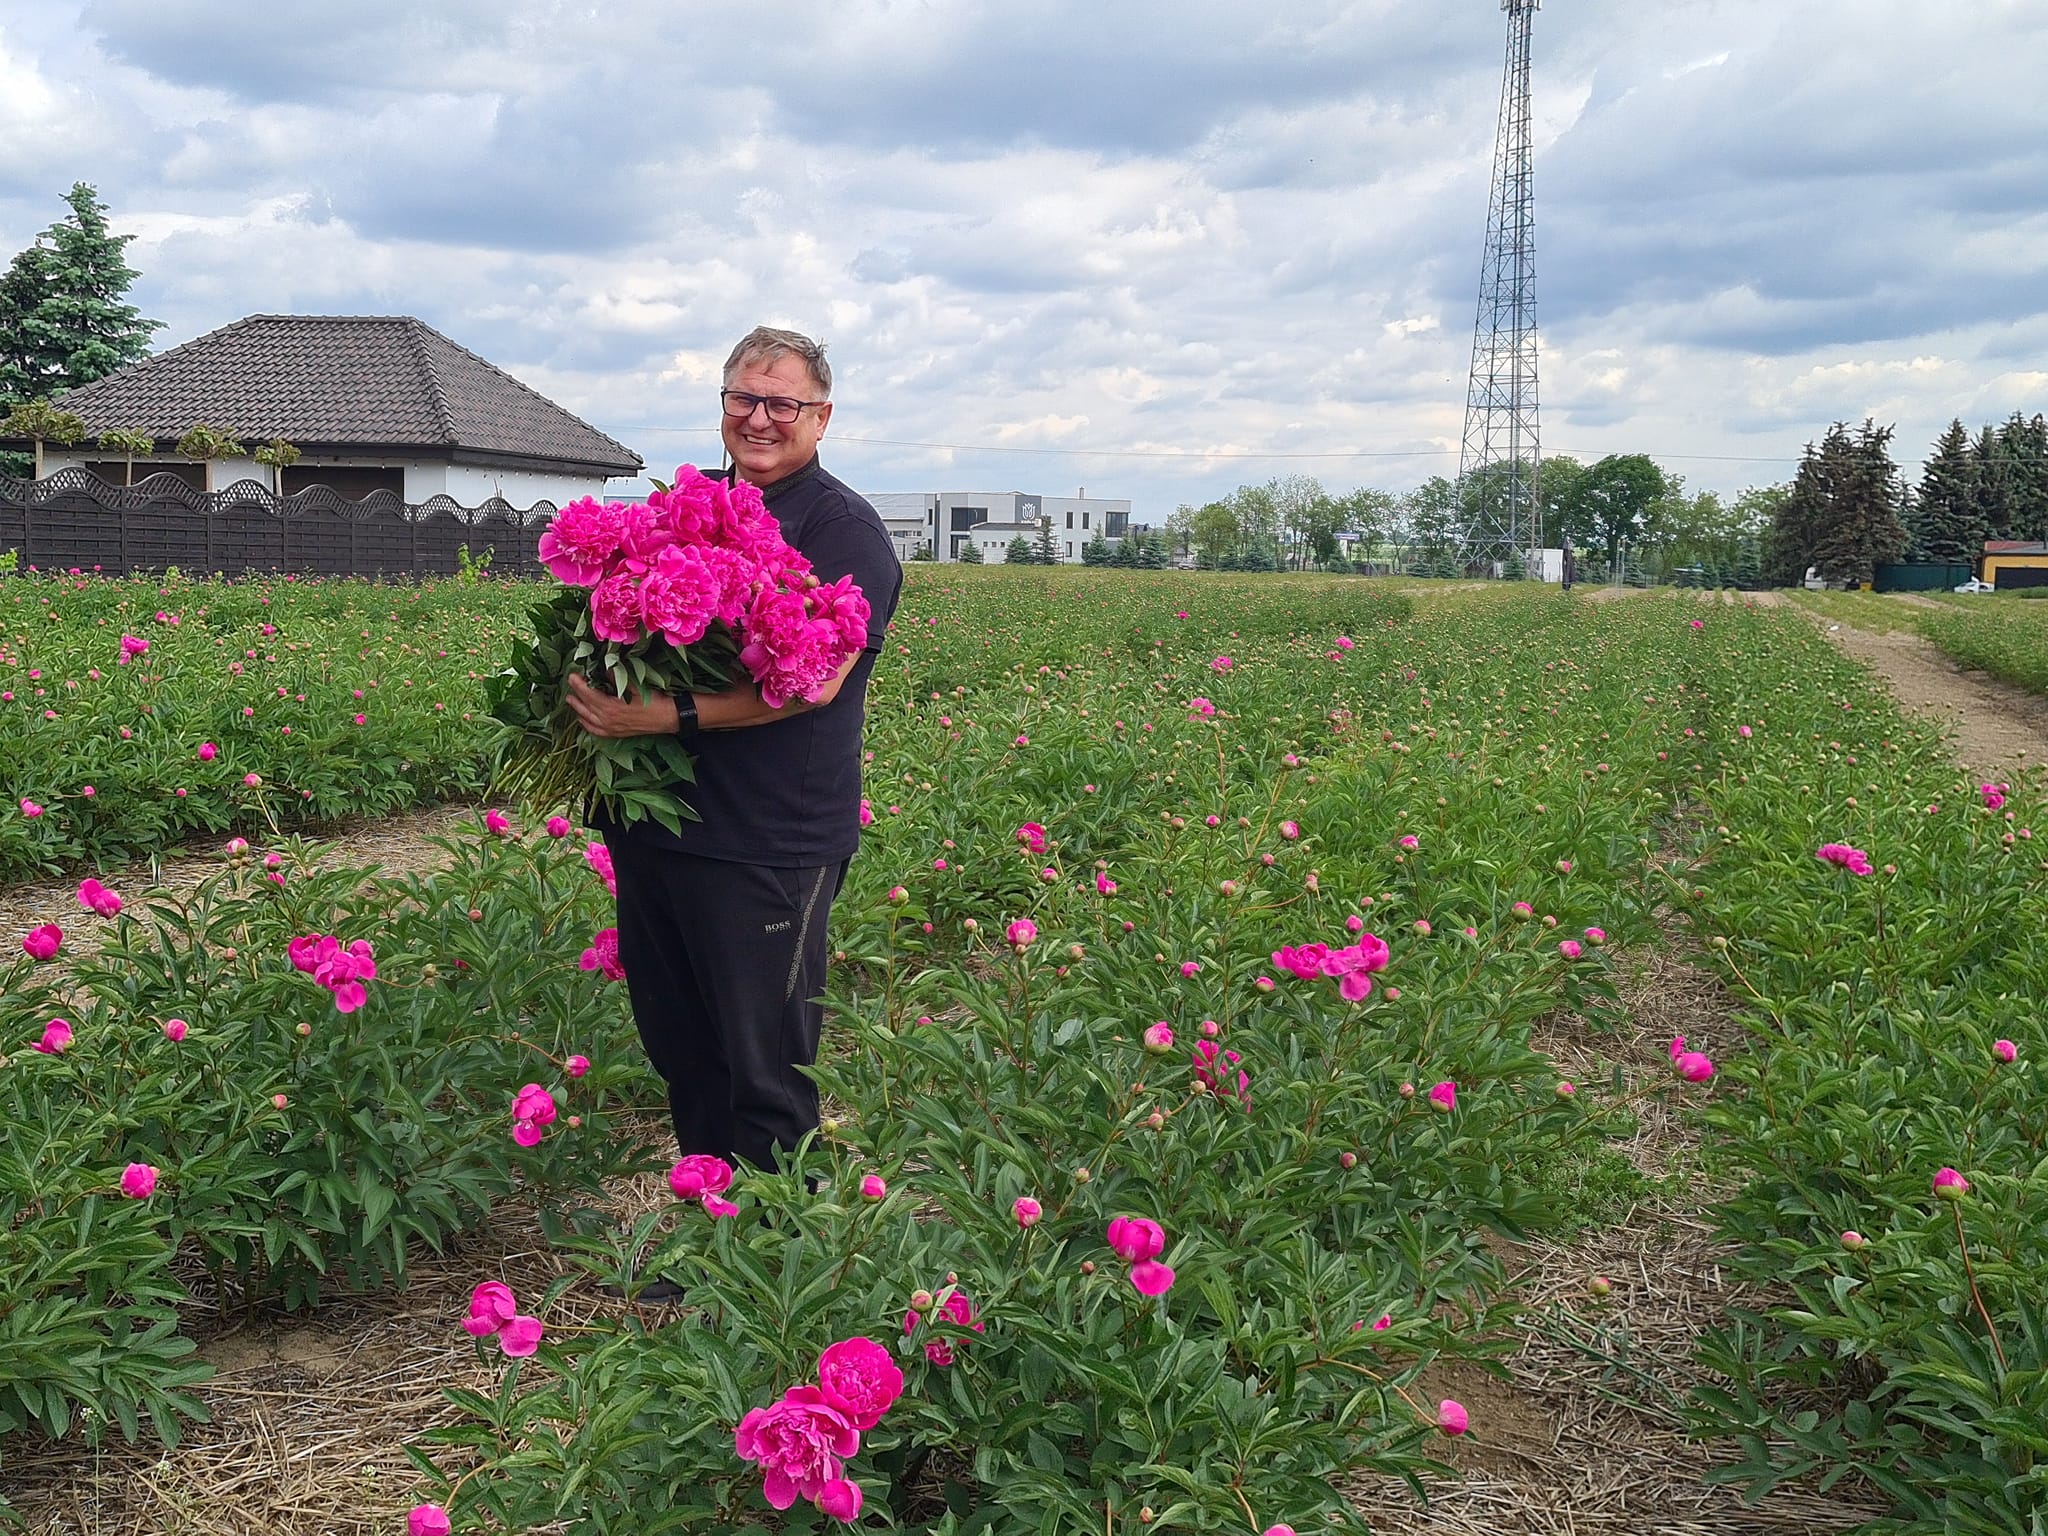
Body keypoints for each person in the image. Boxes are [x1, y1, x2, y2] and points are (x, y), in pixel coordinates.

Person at [565, 327, 902, 1290]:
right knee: (686, 1051)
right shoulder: (687, 510)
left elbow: (814, 684)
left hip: (768, 839)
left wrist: (658, 717)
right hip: (659, 825)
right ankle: (713, 1243)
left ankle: (781, 1268)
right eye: (743, 399)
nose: (758, 418)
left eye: (781, 404)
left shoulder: (842, 531)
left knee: (766, 1067)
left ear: (821, 418)